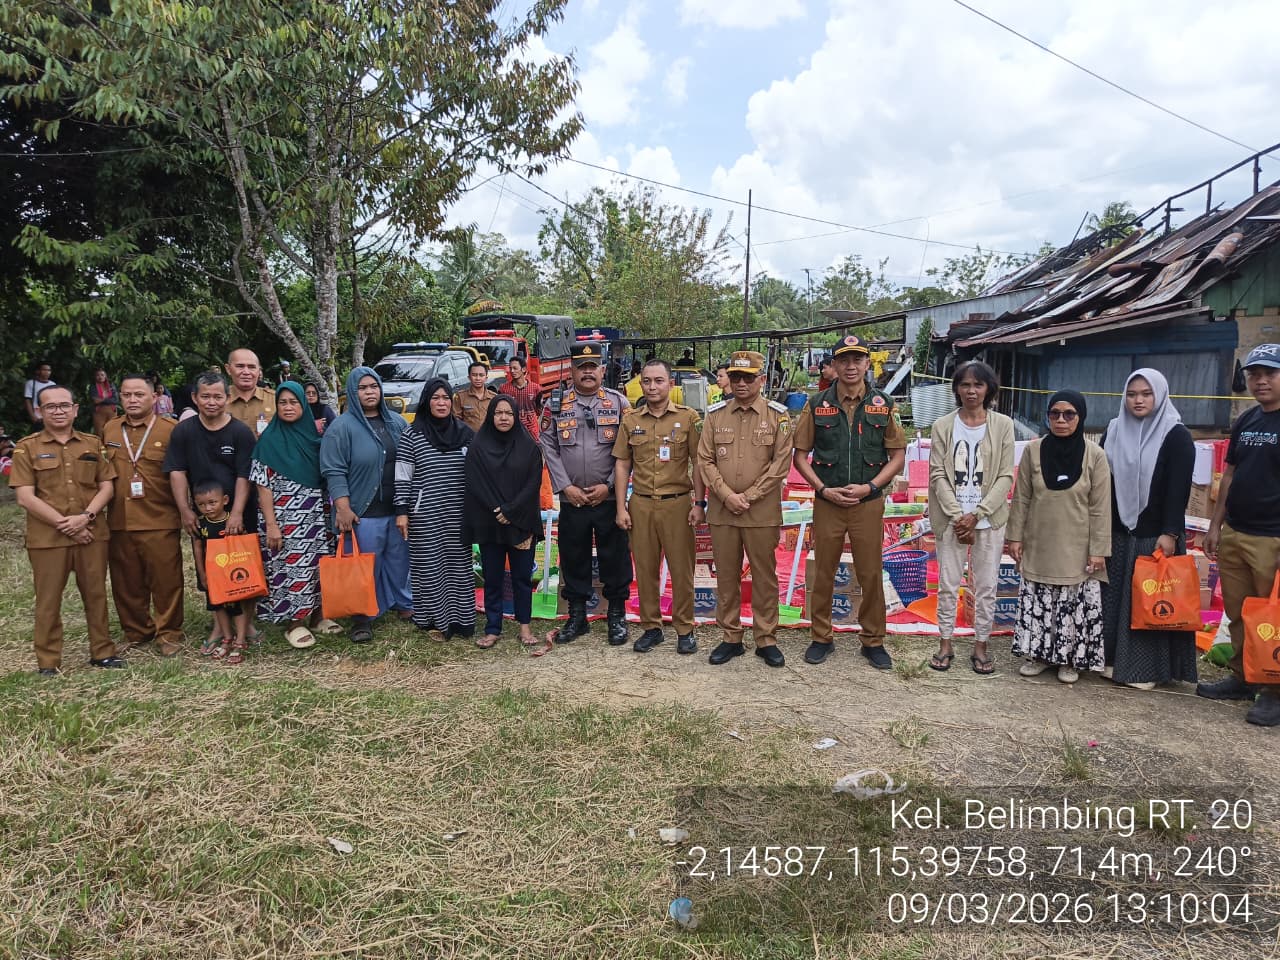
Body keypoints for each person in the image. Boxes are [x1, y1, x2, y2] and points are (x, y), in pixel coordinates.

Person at [791, 334, 907, 669]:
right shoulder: (817, 405)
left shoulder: (883, 405)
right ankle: (821, 637)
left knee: (870, 572)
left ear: (867, 364)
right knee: (824, 571)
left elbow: (897, 456)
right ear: (834, 365)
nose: (851, 366)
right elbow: (800, 456)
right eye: (844, 360)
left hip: (866, 503)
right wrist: (823, 490)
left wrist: (870, 486)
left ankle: (873, 640)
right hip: (828, 501)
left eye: (858, 359)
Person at [10, 385, 122, 674]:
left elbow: (107, 487)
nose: (58, 411)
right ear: (39, 411)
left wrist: (85, 517)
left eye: (64, 405)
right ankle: (48, 661)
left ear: (75, 409)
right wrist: (70, 526)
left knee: (96, 595)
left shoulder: (92, 444)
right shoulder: (26, 447)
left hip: (92, 534)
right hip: (48, 540)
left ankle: (102, 652)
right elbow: (25, 497)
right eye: (50, 406)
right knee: (48, 601)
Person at [1098, 369, 1197, 690]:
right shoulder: (1113, 430)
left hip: (1154, 534)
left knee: (1149, 598)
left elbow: (1178, 489)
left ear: (1160, 394)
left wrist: (1170, 532)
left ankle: (1148, 671)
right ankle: (1111, 660)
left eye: (1146, 394)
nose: (1138, 400)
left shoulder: (1176, 434)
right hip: (1117, 532)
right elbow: (1102, 483)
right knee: (1114, 600)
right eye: (1132, 394)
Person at [1198, 343, 1280, 725]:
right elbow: (1228, 475)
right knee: (1239, 613)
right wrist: (1215, 525)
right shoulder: (1248, 420)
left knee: (1273, 616)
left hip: (1272, 538)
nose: (1260, 381)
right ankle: (1244, 676)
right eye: (1254, 374)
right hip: (1236, 532)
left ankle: (1274, 689)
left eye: (1270, 374)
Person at [696, 350, 793, 667]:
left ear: (761, 380)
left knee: (764, 577)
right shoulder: (715, 415)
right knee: (726, 575)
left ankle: (765, 638)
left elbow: (780, 466)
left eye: (748, 377)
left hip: (761, 511)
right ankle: (731, 637)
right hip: (723, 512)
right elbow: (705, 460)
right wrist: (726, 495)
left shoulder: (777, 416)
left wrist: (748, 496)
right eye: (735, 376)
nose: (740, 383)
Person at [1007, 391, 1112, 684]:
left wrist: (1098, 550)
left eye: (1069, 414)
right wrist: (1014, 537)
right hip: (1040, 541)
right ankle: (1039, 655)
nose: (1061, 420)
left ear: (1081, 418)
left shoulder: (1095, 456)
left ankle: (1070, 660)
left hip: (1078, 548)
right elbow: (1022, 498)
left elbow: (1101, 508)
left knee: (1071, 602)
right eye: (1055, 414)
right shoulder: (1033, 451)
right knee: (1040, 600)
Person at [540, 341, 633, 646]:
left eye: (593, 367)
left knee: (615, 557)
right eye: (582, 368)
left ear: (602, 370)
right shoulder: (556, 404)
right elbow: (548, 445)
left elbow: (627, 450)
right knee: (574, 556)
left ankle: (616, 616)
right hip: (572, 499)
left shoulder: (619, 404)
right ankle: (577, 616)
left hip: (608, 498)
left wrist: (608, 484)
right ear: (572, 371)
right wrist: (565, 486)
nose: (588, 373)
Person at [927, 361, 1016, 675]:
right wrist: (957, 515)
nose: (971, 391)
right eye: (965, 384)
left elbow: (1006, 476)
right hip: (951, 518)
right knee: (948, 584)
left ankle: (981, 644)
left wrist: (977, 514)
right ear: (956, 389)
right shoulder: (943, 426)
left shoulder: (1003, 425)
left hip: (989, 519)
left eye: (978, 385)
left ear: (989, 389)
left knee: (986, 585)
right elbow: (937, 474)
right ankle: (946, 641)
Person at [615, 359, 706, 655]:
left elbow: (699, 462)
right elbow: (622, 464)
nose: (652, 387)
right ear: (640, 384)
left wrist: (699, 503)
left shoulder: (688, 417)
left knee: (682, 570)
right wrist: (621, 507)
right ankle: (651, 627)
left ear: (670, 384)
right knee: (645, 570)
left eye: (659, 381)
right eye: (647, 381)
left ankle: (684, 629)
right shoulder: (631, 420)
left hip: (677, 505)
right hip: (640, 504)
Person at [164, 372, 259, 650]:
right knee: (211, 568)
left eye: (218, 396)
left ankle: (247, 623)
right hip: (204, 515)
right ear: (195, 398)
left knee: (243, 567)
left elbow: (245, 475)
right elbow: (177, 471)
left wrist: (238, 512)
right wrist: (185, 510)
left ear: (227, 398)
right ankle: (220, 625)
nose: (212, 402)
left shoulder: (240, 432)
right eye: (205, 396)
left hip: (240, 512)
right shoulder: (183, 431)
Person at [320, 366, 413, 644]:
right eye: (363, 388)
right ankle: (362, 617)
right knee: (364, 566)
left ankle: (403, 603)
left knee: (399, 561)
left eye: (374, 387)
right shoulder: (342, 427)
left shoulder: (397, 423)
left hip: (396, 510)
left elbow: (410, 461)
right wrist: (343, 507)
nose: (370, 392)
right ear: (352, 392)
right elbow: (333, 470)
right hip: (363, 512)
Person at [253, 382, 340, 649]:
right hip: (286, 520)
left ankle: (318, 616)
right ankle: (294, 623)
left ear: (304, 405)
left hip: (317, 516)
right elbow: (262, 485)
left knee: (320, 567)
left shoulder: (315, 439)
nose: (288, 407)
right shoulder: (270, 439)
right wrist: (271, 524)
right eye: (283, 403)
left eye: (294, 402)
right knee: (294, 569)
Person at [103, 374, 185, 657]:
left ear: (154, 397)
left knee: (166, 580)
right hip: (120, 519)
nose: (133, 400)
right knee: (126, 581)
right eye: (127, 395)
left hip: (159, 518)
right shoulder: (110, 430)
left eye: (139, 394)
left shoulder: (170, 430)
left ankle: (169, 632)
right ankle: (137, 631)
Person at [395, 378, 476, 640]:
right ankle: (434, 620)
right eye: (435, 398)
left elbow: (479, 473)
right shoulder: (412, 435)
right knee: (429, 566)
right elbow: (402, 476)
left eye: (445, 398)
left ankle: (461, 621)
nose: (441, 403)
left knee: (458, 564)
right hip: (424, 513)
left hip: (458, 512)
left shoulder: (464, 433)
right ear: (427, 402)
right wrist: (402, 511)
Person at [465, 395, 544, 648]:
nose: (503, 418)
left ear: (515, 416)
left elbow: (533, 483)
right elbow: (475, 481)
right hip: (490, 522)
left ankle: (525, 626)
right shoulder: (479, 445)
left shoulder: (528, 446)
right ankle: (492, 628)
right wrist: (497, 509)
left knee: (522, 577)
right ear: (491, 415)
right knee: (493, 576)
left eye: (508, 413)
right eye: (498, 413)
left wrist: (510, 510)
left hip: (521, 522)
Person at [191, 479, 251, 664]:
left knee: (237, 606)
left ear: (225, 500)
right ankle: (227, 638)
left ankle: (240, 640)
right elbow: (198, 548)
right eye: (201, 505)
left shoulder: (232, 522)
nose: (207, 508)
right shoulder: (201, 525)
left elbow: (244, 547)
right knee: (217, 606)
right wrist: (202, 574)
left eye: (212, 503)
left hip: (233, 575)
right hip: (213, 575)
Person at [225, 348, 275, 435]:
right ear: (228, 369)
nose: (246, 372)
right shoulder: (217, 400)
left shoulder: (275, 399)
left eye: (252, 367)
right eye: (240, 366)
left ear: (259, 371)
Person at [499, 357, 542, 438]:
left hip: (531, 429)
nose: (512, 371)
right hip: (512, 427)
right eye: (510, 368)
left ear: (524, 369)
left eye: (515, 368)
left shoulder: (536, 389)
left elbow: (539, 409)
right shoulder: (504, 389)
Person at [452, 361, 495, 432]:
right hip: (468, 439)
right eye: (474, 375)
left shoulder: (494, 397)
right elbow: (456, 421)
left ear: (486, 378)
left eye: (481, 375)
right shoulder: (460, 397)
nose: (478, 378)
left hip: (489, 438)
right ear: (469, 377)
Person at [88, 367, 118, 436]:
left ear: (105, 376)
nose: (100, 377)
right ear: (95, 377)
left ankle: (110, 446)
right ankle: (100, 446)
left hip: (112, 411)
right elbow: (95, 401)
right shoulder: (93, 387)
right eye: (98, 375)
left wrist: (103, 400)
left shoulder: (111, 386)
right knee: (99, 432)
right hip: (98, 412)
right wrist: (109, 399)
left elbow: (115, 400)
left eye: (102, 375)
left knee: (112, 430)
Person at [23, 361, 55, 425]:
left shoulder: (53, 384)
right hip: (37, 416)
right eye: (44, 370)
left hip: (50, 416)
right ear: (37, 371)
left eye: (49, 370)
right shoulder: (31, 383)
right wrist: (32, 416)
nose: (47, 372)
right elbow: (27, 400)